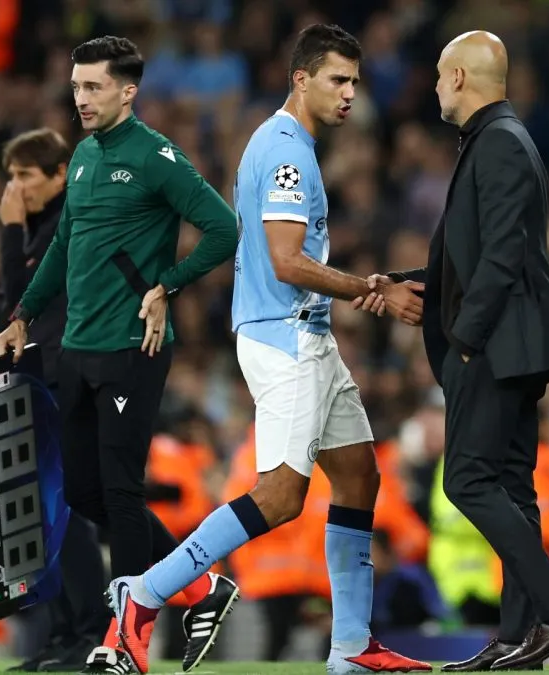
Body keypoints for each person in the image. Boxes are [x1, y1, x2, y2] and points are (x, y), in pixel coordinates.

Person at [103, 24, 431, 675]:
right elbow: (286, 260)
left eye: (355, 83)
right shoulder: (287, 152)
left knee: (360, 474)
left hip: (304, 335)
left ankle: (352, 647)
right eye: (337, 79)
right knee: (281, 495)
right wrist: (372, 288)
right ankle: (143, 594)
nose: (348, 94)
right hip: (286, 338)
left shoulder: (285, 144)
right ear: (301, 78)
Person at [0, 36, 240, 674]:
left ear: (128, 91)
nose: (81, 98)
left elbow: (222, 228)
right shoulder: (79, 158)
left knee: (122, 494)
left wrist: (168, 287)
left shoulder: (157, 157)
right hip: (75, 348)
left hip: (133, 348)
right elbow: (63, 246)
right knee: (83, 493)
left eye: (94, 87)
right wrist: (21, 315)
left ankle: (126, 643)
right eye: (76, 87)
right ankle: (201, 581)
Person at [370, 31, 549, 671]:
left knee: (466, 479)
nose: (437, 88)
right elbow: (471, 256)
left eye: (441, 77)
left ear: (461, 78)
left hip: (494, 345)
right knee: (512, 491)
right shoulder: (497, 142)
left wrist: (464, 340)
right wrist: (409, 283)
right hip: (512, 342)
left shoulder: (497, 144)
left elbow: (498, 257)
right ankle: (520, 638)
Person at [0, 128, 111, 672]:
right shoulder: (41, 226)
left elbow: (23, 303)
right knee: (40, 515)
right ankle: (65, 632)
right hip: (37, 376)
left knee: (66, 509)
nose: (15, 188)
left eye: (25, 176)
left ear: (60, 174)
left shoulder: (71, 220)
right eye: (10, 176)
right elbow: (7, 311)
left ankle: (91, 630)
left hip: (68, 373)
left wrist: (10, 232)